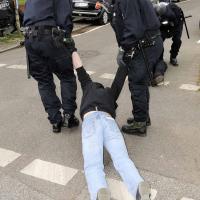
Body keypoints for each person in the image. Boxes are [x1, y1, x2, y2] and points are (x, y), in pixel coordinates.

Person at [72, 51, 151, 200]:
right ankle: (139, 185)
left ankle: (99, 192)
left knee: (93, 164)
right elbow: (120, 77)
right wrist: (128, 57)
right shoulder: (110, 92)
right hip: (108, 121)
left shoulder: (88, 86)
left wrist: (72, 49)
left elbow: (78, 66)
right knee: (122, 159)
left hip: (90, 120)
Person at [107, 0, 164, 136]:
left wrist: (124, 48)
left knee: (137, 83)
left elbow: (134, 29)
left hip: (144, 45)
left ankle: (140, 123)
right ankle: (143, 117)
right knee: (142, 81)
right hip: (151, 42)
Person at [23, 0, 79, 133]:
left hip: (30, 38)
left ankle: (55, 121)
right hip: (50, 36)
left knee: (44, 81)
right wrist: (69, 42)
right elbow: (64, 18)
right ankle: (69, 116)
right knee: (66, 76)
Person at [154, 1, 184, 66]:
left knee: (177, 40)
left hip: (176, 22)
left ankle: (173, 57)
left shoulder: (170, 14)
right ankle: (160, 59)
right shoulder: (154, 9)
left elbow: (175, 24)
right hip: (164, 23)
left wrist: (170, 28)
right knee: (159, 39)